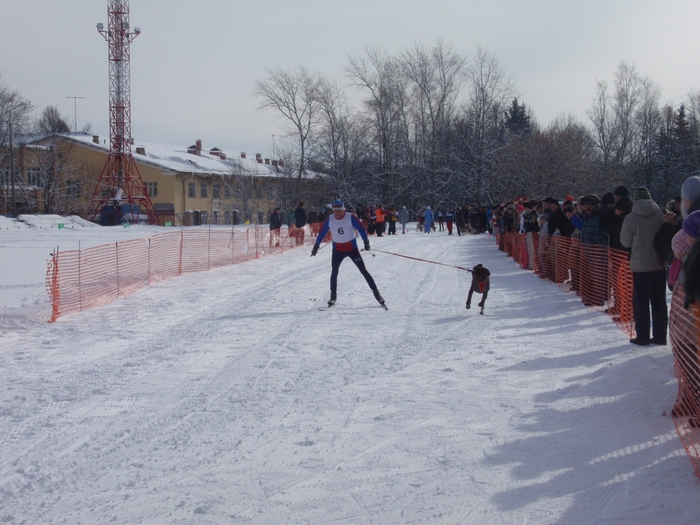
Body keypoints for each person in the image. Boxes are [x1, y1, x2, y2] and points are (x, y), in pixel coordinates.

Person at [311, 200, 385, 307]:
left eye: (339, 211)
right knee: (334, 272)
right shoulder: (330, 219)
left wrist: (366, 241)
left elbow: (361, 229)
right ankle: (333, 296)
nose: (337, 213)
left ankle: (377, 293)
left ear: (343, 209)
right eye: (335, 211)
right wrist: (316, 246)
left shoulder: (350, 217)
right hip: (337, 250)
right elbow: (322, 233)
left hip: (352, 249)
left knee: (363, 270)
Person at [620, 187, 667, 345]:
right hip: (659, 263)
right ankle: (660, 336)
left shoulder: (630, 218)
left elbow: (625, 242)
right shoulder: (661, 214)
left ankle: (643, 336)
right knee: (659, 301)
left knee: (641, 302)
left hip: (640, 264)